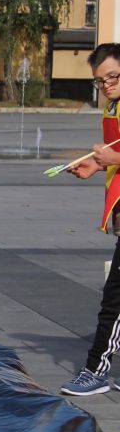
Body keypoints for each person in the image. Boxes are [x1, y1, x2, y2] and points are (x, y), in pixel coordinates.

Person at [61, 43, 120, 395]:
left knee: (114, 298)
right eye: (100, 81)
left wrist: (110, 156)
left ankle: (96, 370)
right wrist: (97, 163)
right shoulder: (113, 107)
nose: (107, 85)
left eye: (113, 76)